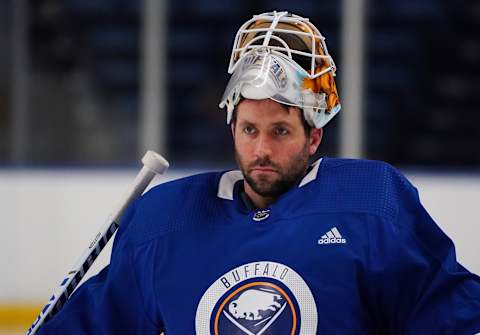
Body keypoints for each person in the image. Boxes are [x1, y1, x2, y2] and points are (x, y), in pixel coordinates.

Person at [37, 11, 480, 335]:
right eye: (250, 129)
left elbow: (449, 312)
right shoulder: (165, 221)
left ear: (314, 137)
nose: (262, 149)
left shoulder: (371, 204)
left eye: (281, 131)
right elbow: (98, 322)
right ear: (232, 127)